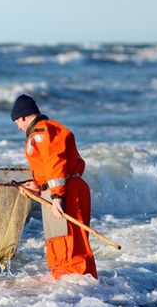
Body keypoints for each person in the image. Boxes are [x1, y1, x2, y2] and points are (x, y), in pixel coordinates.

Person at [10, 94, 98, 280]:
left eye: (17, 121)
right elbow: (58, 166)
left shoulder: (40, 134)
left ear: (24, 117)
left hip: (64, 193)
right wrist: (39, 184)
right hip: (70, 188)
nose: (18, 127)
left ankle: (74, 288)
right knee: (73, 242)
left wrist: (57, 196)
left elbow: (54, 163)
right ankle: (81, 283)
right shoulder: (53, 128)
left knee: (67, 243)